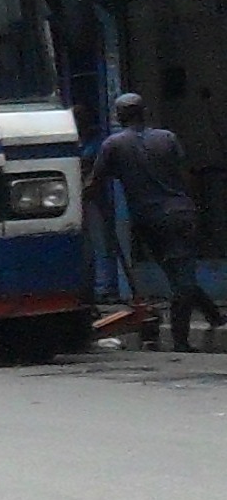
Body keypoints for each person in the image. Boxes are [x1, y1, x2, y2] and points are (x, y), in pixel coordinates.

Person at [88, 90, 221, 350]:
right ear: (143, 113)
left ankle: (181, 339)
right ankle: (213, 316)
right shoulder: (167, 138)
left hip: (150, 221)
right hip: (181, 213)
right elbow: (186, 175)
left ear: (118, 116)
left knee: (180, 278)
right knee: (182, 272)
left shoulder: (113, 145)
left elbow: (95, 182)